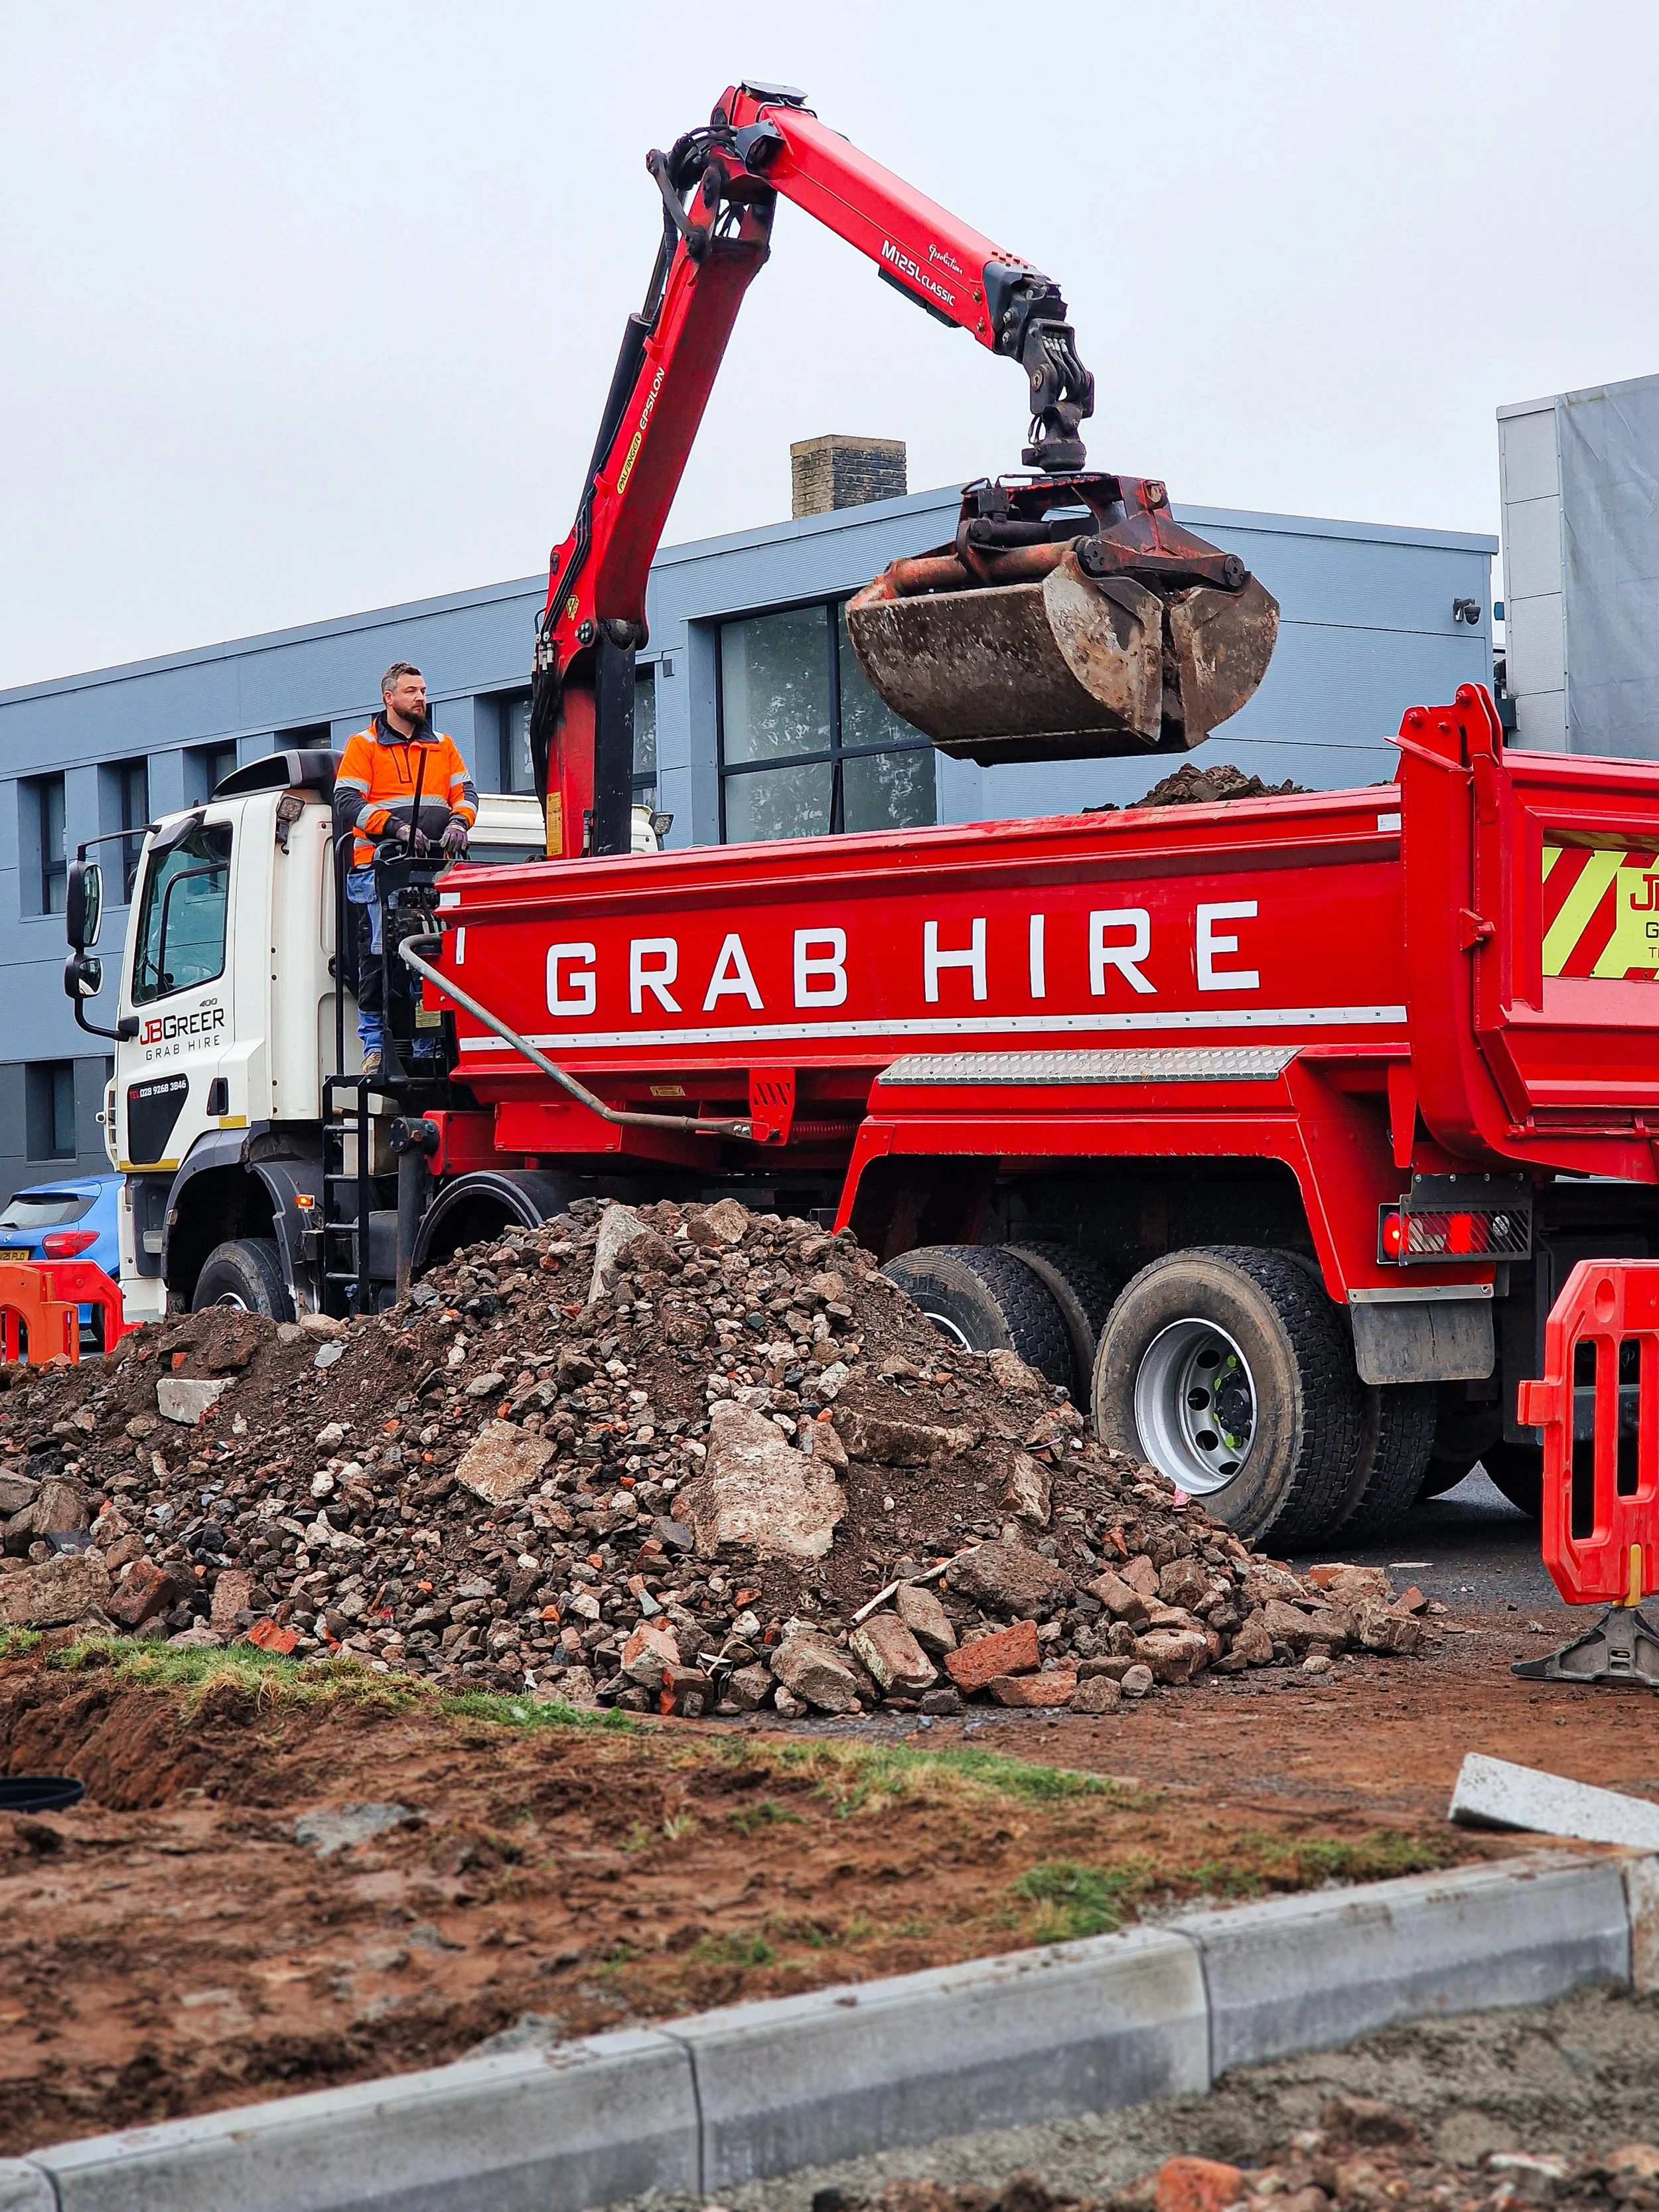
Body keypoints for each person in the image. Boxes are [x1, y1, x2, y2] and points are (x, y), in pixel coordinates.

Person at [334, 662, 478, 1074]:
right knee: (378, 958)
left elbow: (466, 793)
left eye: (423, 690)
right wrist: (395, 828)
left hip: (431, 871)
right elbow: (348, 804)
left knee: (431, 960)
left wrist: (458, 822)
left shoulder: (442, 745)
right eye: (412, 690)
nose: (421, 697)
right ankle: (375, 1046)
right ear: (389, 698)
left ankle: (427, 1046)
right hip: (377, 872)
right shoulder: (363, 746)